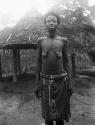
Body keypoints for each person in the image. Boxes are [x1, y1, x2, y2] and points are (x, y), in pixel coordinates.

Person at [35, 11, 73, 125]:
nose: (51, 23)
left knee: (60, 117)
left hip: (61, 82)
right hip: (46, 82)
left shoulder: (63, 41)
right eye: (48, 21)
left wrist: (70, 83)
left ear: (58, 23)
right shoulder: (40, 41)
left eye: (54, 21)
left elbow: (66, 61)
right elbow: (38, 62)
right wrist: (37, 84)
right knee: (48, 117)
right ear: (45, 24)